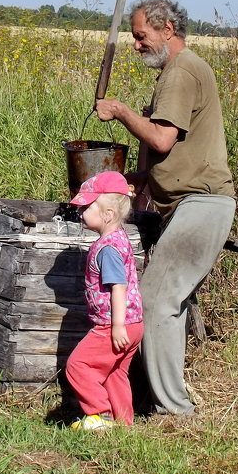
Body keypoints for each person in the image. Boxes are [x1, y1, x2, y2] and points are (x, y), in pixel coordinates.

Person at [94, 0, 236, 416]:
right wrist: (138, 180)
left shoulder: (181, 71)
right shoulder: (181, 71)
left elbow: (160, 140)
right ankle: (166, 402)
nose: (136, 45)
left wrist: (119, 111)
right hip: (192, 203)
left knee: (157, 300)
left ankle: (174, 411)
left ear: (166, 30)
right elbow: (169, 151)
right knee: (164, 299)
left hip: (202, 203)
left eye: (141, 36)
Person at [64, 171, 145, 430]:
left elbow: (118, 287)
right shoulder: (120, 239)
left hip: (115, 325)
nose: (80, 212)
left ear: (108, 214)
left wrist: (116, 326)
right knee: (115, 373)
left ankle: (98, 415)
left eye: (86, 207)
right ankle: (124, 424)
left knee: (78, 365)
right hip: (135, 324)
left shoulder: (108, 248)